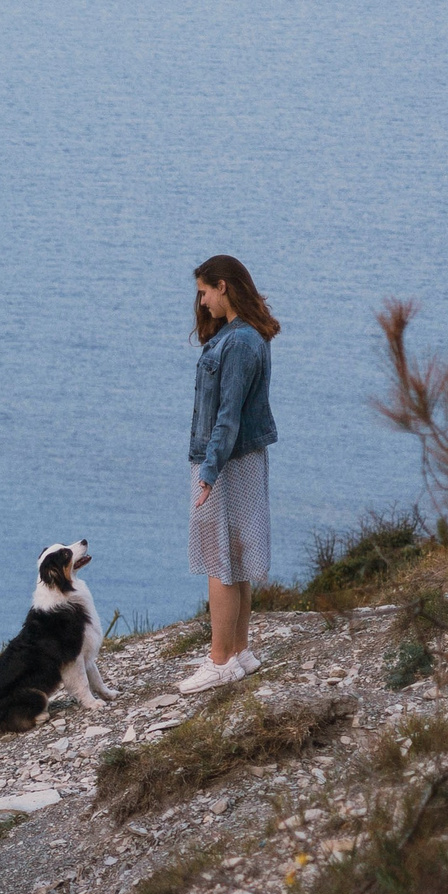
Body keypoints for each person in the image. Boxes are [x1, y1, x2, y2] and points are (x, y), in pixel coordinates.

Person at [182, 254, 280, 691]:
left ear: (223, 286)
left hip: (226, 461)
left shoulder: (238, 344)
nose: (201, 303)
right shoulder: (245, 336)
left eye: (204, 292)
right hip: (241, 459)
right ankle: (239, 652)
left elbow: (227, 417)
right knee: (236, 558)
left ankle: (220, 660)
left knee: (220, 560)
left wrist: (207, 472)